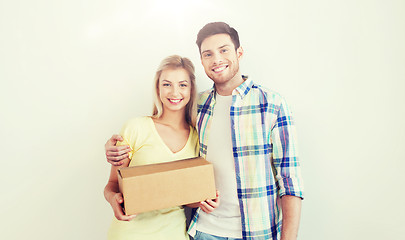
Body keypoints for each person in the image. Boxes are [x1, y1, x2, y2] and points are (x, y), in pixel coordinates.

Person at [105, 22, 304, 240]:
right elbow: (159, 136)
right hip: (203, 232)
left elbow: (290, 181)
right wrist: (112, 147)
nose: (217, 59)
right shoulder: (197, 107)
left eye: (224, 50)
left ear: (239, 52)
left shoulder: (273, 105)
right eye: (208, 54)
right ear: (202, 61)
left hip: (257, 233)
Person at [103, 55, 219, 240]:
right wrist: (113, 201)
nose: (175, 92)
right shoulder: (135, 128)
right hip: (128, 234)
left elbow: (185, 196)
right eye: (167, 84)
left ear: (191, 89)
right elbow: (112, 185)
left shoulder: (198, 138)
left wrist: (204, 201)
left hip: (173, 234)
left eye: (182, 85)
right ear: (158, 88)